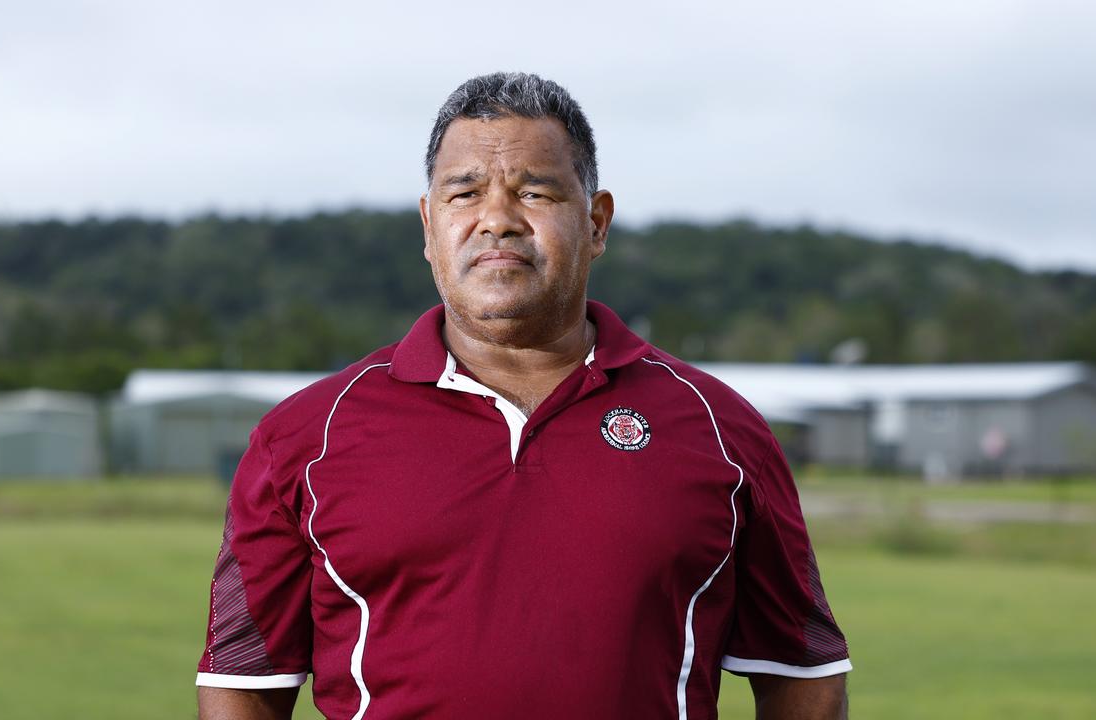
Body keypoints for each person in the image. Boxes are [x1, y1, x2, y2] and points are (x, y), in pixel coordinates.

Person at [196, 72, 850, 720]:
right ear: (429, 225)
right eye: (465, 193)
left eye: (534, 192)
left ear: (596, 222)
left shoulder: (721, 428)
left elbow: (803, 674)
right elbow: (245, 682)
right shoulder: (304, 436)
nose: (498, 220)